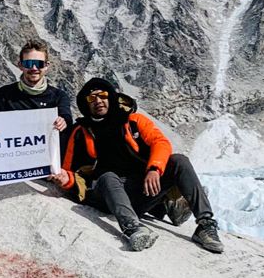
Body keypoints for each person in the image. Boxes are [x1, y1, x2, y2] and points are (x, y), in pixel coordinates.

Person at [53, 78, 224, 254]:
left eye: (102, 95)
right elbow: (70, 169)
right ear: (85, 104)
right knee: (108, 177)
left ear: (111, 97)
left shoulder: (134, 120)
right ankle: (134, 228)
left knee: (179, 161)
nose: (98, 101)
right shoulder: (80, 132)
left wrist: (154, 169)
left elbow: (161, 142)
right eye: (91, 98)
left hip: (140, 191)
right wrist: (67, 180)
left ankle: (205, 225)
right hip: (105, 195)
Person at [0, 39, 73, 156]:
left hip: (46, 159)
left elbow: (66, 117)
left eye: (39, 64)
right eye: (29, 64)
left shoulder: (58, 96)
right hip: (11, 157)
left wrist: (63, 121)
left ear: (46, 66)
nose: (34, 68)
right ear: (20, 66)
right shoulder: (5, 94)